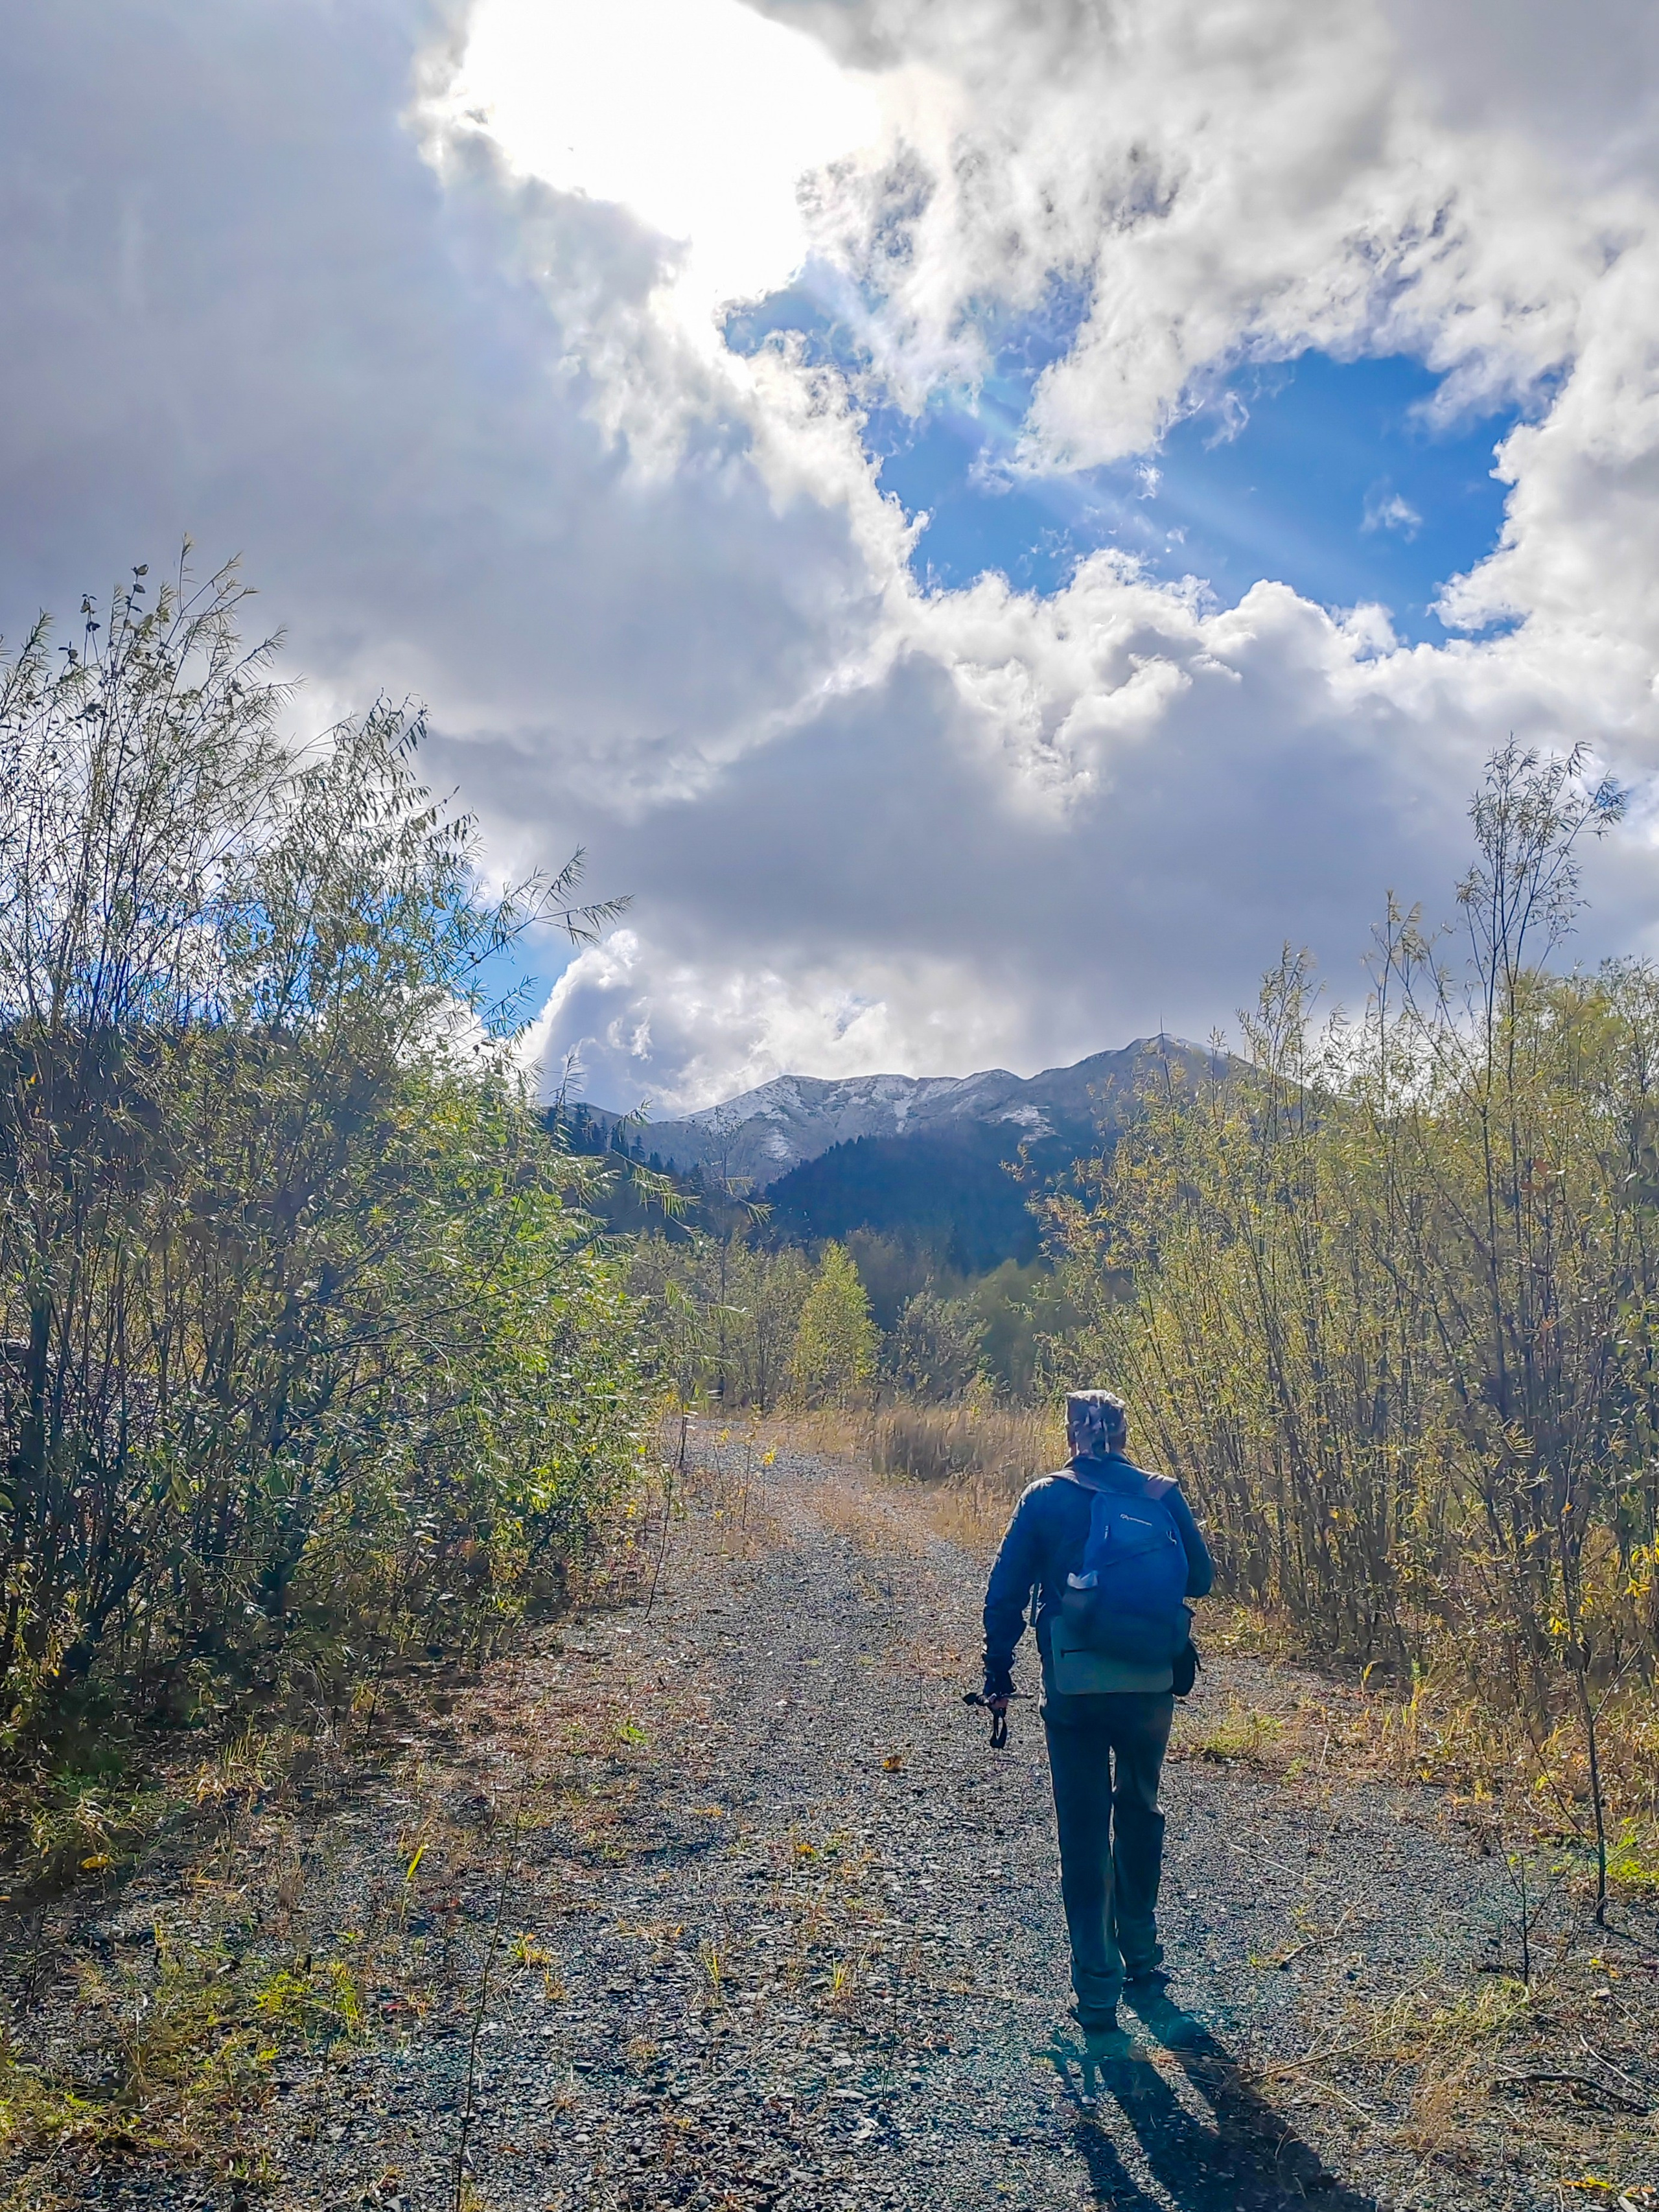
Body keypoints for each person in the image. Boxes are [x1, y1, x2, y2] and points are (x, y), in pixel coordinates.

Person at [982, 1388, 1212, 2036]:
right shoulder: (1160, 1493)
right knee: (1139, 1807)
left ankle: (1097, 1992)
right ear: (1123, 1432)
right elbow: (1201, 1578)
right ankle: (1141, 1952)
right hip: (1148, 1680)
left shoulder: (1045, 1496)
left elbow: (1003, 1594)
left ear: (1069, 1433)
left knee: (1082, 1832)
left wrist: (997, 1676)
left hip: (1075, 1688)